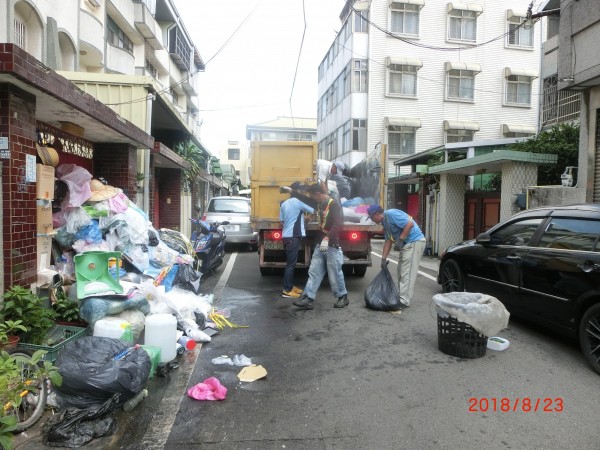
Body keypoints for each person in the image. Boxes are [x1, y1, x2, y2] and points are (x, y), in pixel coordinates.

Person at [280, 183, 348, 309]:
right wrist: (291, 191)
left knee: (334, 273)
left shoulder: (334, 205)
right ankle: (308, 298)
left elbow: (338, 224)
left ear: (318, 194)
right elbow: (303, 199)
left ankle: (342, 297)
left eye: (313, 196)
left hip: (331, 244)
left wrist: (327, 238)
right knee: (314, 272)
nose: (312, 198)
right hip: (320, 243)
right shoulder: (318, 203)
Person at [367, 205, 426, 307]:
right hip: (407, 245)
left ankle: (404, 301)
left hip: (415, 242)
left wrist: (400, 239)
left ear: (377, 214)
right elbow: (388, 241)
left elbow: (410, 224)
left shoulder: (391, 214)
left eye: (372, 218)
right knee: (401, 271)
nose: (372, 220)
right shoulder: (384, 223)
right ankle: (402, 297)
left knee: (406, 272)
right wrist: (383, 259)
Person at [279, 182, 315, 299]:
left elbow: (282, 221)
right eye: (301, 191)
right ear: (296, 191)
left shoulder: (284, 204)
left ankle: (290, 286)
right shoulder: (298, 202)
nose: (302, 193)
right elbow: (313, 209)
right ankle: (287, 290)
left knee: (291, 264)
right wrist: (309, 217)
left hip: (287, 236)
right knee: (291, 265)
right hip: (293, 237)